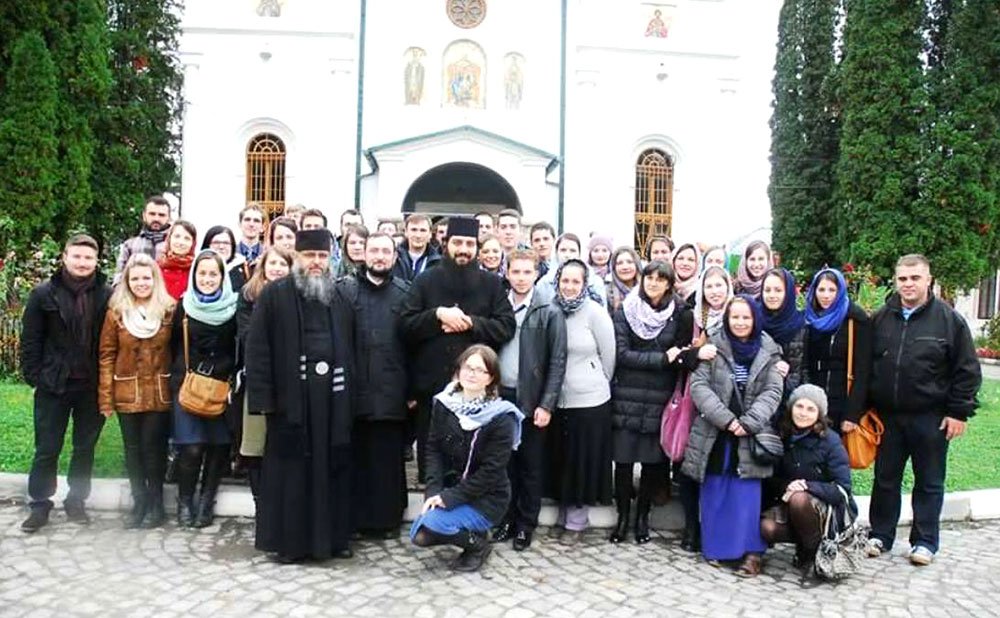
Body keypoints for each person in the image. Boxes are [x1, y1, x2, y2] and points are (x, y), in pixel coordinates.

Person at [246, 229, 357, 563]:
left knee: (331, 469)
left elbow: (352, 350)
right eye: (310, 256)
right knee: (291, 472)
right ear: (297, 256)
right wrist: (265, 401)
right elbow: (258, 351)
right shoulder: (274, 296)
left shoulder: (338, 297)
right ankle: (289, 544)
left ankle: (333, 540)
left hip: (331, 403)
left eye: (322, 256)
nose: (316, 263)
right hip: (289, 402)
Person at [866, 254, 981, 566]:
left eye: (915, 278)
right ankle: (880, 534)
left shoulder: (949, 321)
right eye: (902, 278)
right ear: (896, 281)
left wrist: (958, 412)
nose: (908, 284)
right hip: (888, 416)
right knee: (885, 478)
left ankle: (925, 542)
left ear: (928, 279)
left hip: (930, 417)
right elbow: (868, 365)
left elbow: (967, 371)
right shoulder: (881, 318)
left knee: (929, 481)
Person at [400, 217, 516, 484]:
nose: (463, 249)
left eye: (469, 244)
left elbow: (505, 327)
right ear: (445, 244)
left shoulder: (492, 284)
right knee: (434, 466)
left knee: (474, 465)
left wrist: (470, 322)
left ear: (476, 247)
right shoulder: (425, 281)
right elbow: (405, 325)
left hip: (478, 390)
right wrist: (437, 316)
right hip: (434, 388)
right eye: (457, 243)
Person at [682, 295, 783, 577]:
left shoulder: (769, 349)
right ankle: (716, 548)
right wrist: (727, 420)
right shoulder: (713, 343)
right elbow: (699, 386)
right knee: (715, 489)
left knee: (745, 494)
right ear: (727, 318)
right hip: (716, 429)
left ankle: (749, 552)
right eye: (735, 317)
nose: (740, 322)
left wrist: (749, 422)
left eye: (746, 317)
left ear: (755, 319)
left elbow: (773, 390)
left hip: (751, 432)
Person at [19, 234, 113, 533]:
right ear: (65, 257)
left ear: (96, 261)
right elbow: (30, 340)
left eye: (88, 258)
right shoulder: (43, 294)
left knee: (84, 447)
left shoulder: (107, 294)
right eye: (77, 256)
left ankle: (76, 500)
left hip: (91, 385)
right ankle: (40, 503)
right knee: (47, 447)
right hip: (53, 384)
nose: (82, 263)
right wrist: (35, 377)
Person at [410, 345, 524, 572]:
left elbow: (492, 471)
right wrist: (434, 492)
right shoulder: (444, 404)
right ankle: (472, 532)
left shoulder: (502, 416)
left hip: (487, 496)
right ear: (459, 370)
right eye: (468, 367)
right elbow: (433, 448)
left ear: (490, 378)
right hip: (453, 488)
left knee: (433, 525)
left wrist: (449, 498)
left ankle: (479, 546)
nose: (472, 374)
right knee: (419, 535)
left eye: (480, 370)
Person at [610, 261, 692, 544]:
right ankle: (622, 518)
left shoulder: (679, 313)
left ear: (669, 283)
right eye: (649, 277)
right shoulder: (626, 310)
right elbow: (621, 354)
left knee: (651, 464)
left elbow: (680, 355)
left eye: (660, 279)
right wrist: (659, 359)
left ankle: (642, 518)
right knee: (622, 462)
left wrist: (669, 359)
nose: (653, 283)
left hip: (660, 398)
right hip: (626, 397)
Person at [491, 250, 567, 551]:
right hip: (502, 395)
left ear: (536, 274)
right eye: (516, 272)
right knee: (504, 464)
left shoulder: (549, 309)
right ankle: (506, 518)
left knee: (530, 465)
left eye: (527, 272)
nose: (521, 278)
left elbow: (557, 361)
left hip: (532, 397)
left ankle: (525, 524)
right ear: (507, 273)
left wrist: (546, 404)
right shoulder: (499, 306)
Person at [98, 254, 175, 529]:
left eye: (146, 277)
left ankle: (156, 504)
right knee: (133, 450)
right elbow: (107, 355)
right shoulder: (116, 311)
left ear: (155, 279)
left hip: (158, 391)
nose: (141, 283)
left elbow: (176, 352)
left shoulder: (168, 310)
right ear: (127, 282)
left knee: (154, 449)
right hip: (127, 390)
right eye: (135, 278)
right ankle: (139, 501)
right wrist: (105, 397)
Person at [344, 233, 411, 539]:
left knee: (386, 462)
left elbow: (414, 346)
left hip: (391, 392)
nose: (379, 256)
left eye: (386, 251)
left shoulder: (405, 294)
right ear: (363, 254)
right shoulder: (344, 290)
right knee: (355, 459)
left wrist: (411, 391)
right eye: (374, 250)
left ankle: (386, 521)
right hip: (354, 392)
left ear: (395, 257)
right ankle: (355, 520)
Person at [547, 259, 616, 545]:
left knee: (582, 461)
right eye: (565, 281)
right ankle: (562, 513)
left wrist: (593, 381)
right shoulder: (550, 311)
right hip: (556, 400)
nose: (570, 287)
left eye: (576, 282)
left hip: (589, 400)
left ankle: (576, 521)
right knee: (562, 459)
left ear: (584, 284)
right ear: (558, 282)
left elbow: (608, 356)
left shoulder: (596, 313)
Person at [170, 250, 238, 529]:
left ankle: (206, 502)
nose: (208, 279)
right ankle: (185, 501)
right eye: (202, 273)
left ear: (223, 277)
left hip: (222, 386)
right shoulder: (183, 306)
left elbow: (240, 345)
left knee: (218, 447)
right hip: (188, 386)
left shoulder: (234, 307)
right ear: (193, 275)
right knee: (192, 447)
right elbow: (173, 346)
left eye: (214, 274)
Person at [761, 384, 857, 574]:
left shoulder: (831, 441)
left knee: (800, 498)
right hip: (792, 506)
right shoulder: (783, 435)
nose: (803, 413)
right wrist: (788, 487)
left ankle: (812, 552)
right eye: (799, 406)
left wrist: (806, 486)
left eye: (811, 409)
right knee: (766, 528)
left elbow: (842, 489)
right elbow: (773, 480)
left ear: (820, 413)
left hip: (827, 513)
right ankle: (804, 545)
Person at [234, 247, 294, 506]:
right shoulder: (249, 295)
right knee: (256, 445)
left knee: (283, 446)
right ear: (263, 266)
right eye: (273, 263)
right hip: (258, 379)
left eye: (284, 263)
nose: (278, 268)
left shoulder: (298, 297)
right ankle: (261, 502)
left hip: (290, 382)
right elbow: (248, 336)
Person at [803, 267, 871, 431]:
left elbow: (864, 369)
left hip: (842, 402)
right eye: (821, 289)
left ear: (840, 291)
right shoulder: (808, 319)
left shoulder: (855, 319)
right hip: (812, 402)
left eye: (832, 290)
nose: (826, 295)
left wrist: (852, 413)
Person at [760, 268, 806, 403]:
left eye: (778, 290)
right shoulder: (753, 320)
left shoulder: (800, 324)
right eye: (767, 290)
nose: (772, 295)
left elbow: (802, 370)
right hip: (755, 400)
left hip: (788, 400)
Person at [114, 195, 172, 285]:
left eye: (161, 215)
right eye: (152, 214)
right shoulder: (129, 245)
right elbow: (119, 278)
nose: (156, 218)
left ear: (168, 218)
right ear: (144, 215)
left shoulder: (175, 246)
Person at [538, 233, 607, 307]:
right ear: (556, 253)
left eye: (572, 251)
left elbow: (602, 313)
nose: (567, 255)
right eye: (563, 250)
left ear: (579, 254)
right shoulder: (545, 283)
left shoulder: (594, 281)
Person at [393, 213, 440, 282]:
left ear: (430, 234)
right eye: (414, 230)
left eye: (423, 230)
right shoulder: (394, 258)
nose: (418, 235)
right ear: (406, 232)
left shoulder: (438, 262)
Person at [201, 225, 250, 290]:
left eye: (226, 243)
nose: (221, 246)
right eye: (216, 242)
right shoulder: (196, 268)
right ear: (207, 245)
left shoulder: (244, 270)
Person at [159, 220, 197, 301]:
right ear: (169, 238)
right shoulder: (156, 267)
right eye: (177, 236)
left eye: (187, 238)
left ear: (193, 243)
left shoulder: (197, 269)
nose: (181, 242)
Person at [606, 246, 641, 315]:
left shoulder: (647, 291)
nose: (625, 267)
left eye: (629, 262)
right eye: (619, 263)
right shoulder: (606, 293)